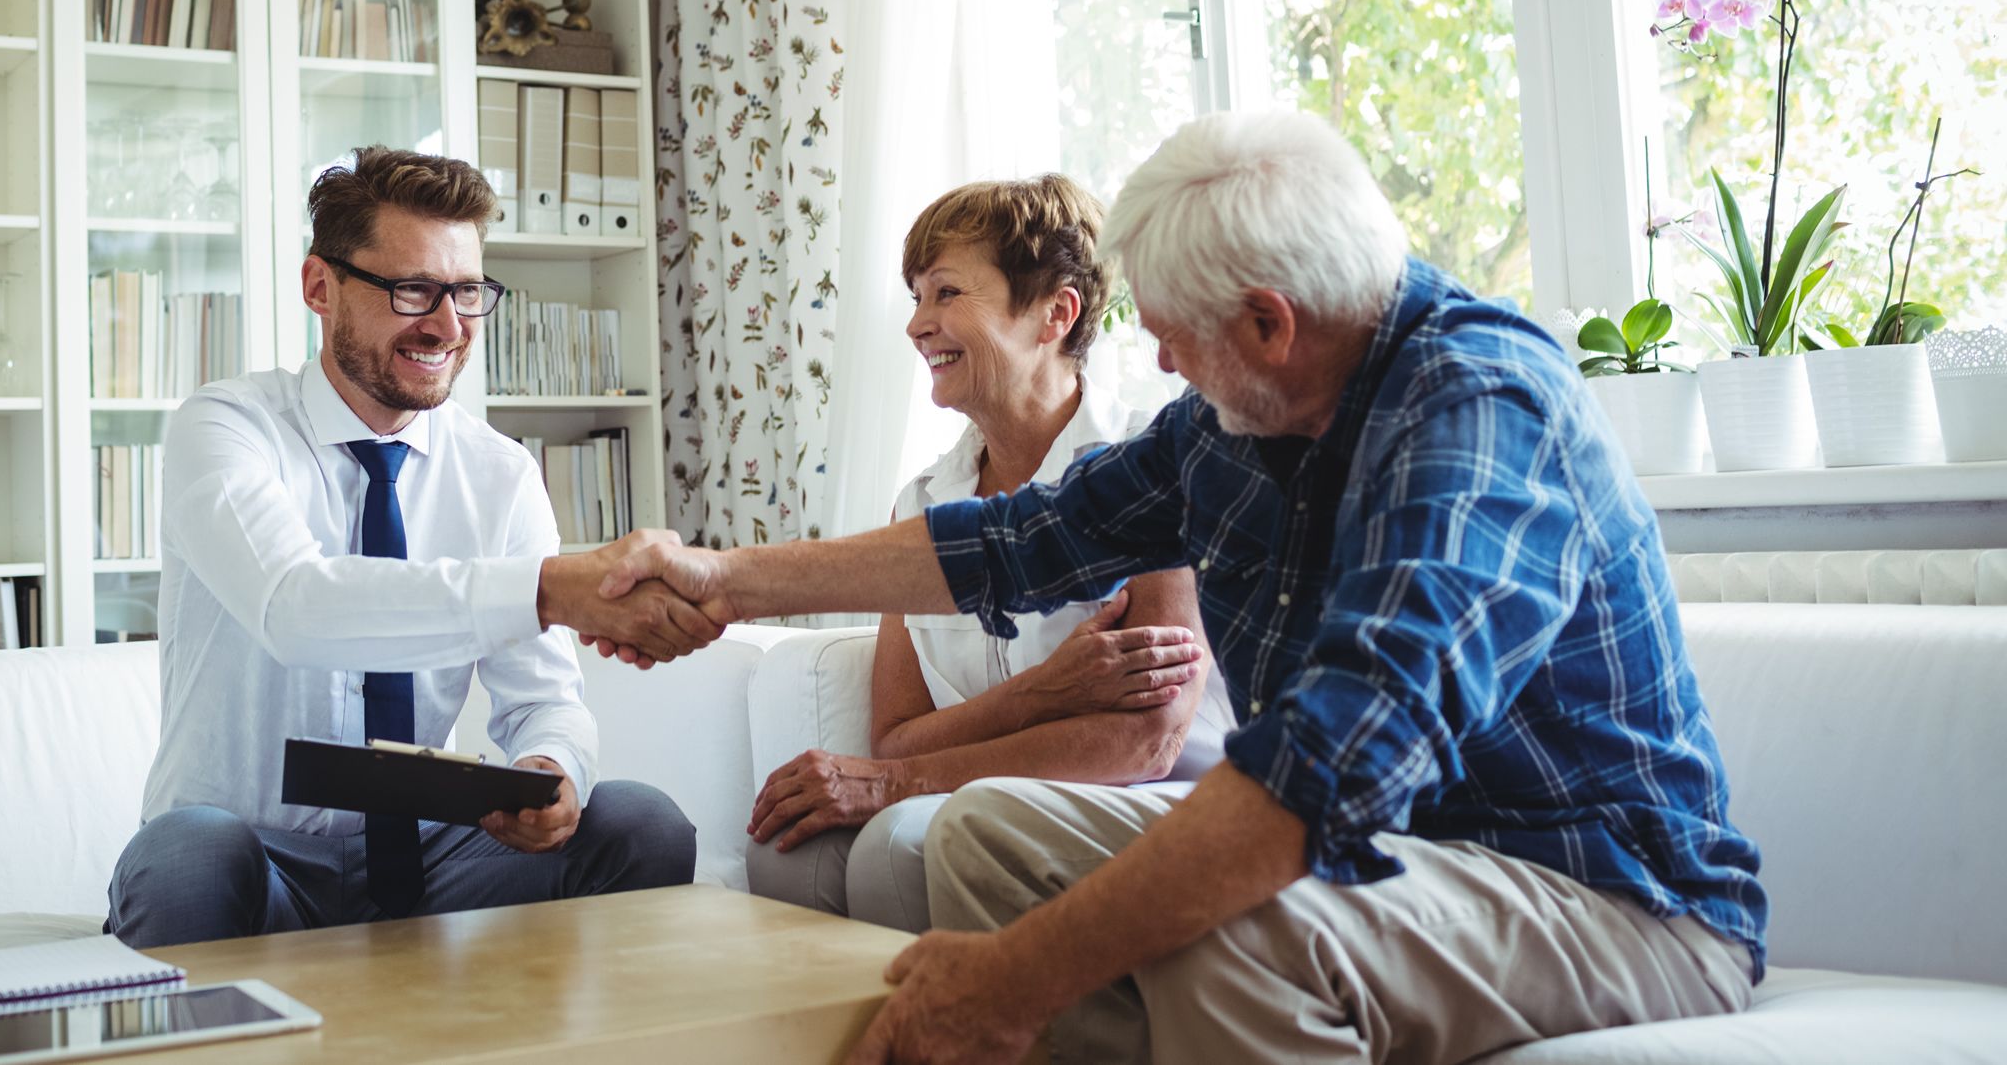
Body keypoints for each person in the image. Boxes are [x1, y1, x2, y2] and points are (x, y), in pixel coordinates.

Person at [590, 112, 1764, 1064]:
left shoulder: (1479, 411)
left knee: (1234, 930)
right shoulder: (1230, 425)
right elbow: (1012, 541)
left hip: (1608, 898)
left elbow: (1331, 768)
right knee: (990, 837)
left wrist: (1013, 980)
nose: (1155, 363)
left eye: (1173, 336)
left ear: (1269, 322)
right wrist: (725, 579)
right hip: (1408, 872)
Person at [107, 147, 717, 949]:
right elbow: (299, 607)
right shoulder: (226, 429)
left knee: (640, 823)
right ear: (320, 287)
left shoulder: (498, 473)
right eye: (412, 290)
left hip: (436, 855)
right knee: (185, 852)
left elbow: (543, 698)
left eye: (467, 292)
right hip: (255, 854)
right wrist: (547, 588)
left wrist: (550, 766)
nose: (448, 325)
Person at [746, 175, 1233, 934]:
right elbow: (896, 734)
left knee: (896, 843)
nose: (917, 323)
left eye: (945, 293)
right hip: (980, 787)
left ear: (1055, 313)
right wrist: (1040, 695)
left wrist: (899, 782)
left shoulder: (1149, 466)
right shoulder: (922, 503)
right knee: (787, 852)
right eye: (915, 296)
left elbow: (1146, 738)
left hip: (1146, 788)